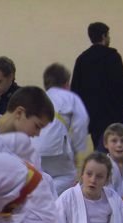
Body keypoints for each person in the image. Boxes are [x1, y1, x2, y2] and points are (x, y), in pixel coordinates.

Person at [71, 22, 123, 151]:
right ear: (104, 36)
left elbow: (75, 90)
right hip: (114, 115)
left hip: (93, 118)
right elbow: (121, 84)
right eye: (108, 35)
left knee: (100, 150)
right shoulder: (112, 57)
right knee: (116, 151)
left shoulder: (82, 59)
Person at [32, 63, 89, 195]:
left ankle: (42, 198)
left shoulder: (38, 98)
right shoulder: (70, 97)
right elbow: (81, 123)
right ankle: (51, 199)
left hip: (34, 148)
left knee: (39, 179)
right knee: (68, 175)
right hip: (57, 147)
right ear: (66, 84)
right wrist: (75, 150)